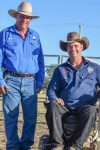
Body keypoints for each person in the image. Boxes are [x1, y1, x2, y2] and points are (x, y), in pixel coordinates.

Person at [46, 32, 100, 150]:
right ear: (66, 49)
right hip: (64, 106)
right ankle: (57, 144)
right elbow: (51, 89)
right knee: (52, 105)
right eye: (70, 46)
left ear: (81, 47)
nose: (73, 49)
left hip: (85, 107)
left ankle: (76, 146)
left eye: (76, 45)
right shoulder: (60, 69)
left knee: (92, 111)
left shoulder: (94, 68)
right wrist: (54, 98)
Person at [0, 2, 45, 150]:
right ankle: (12, 146)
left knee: (31, 118)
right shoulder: (5, 34)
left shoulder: (35, 36)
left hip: (30, 81)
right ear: (16, 16)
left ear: (30, 19)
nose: (25, 20)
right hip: (10, 80)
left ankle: (26, 146)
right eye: (22, 16)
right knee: (10, 117)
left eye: (28, 17)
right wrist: (0, 80)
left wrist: (40, 79)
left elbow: (40, 59)